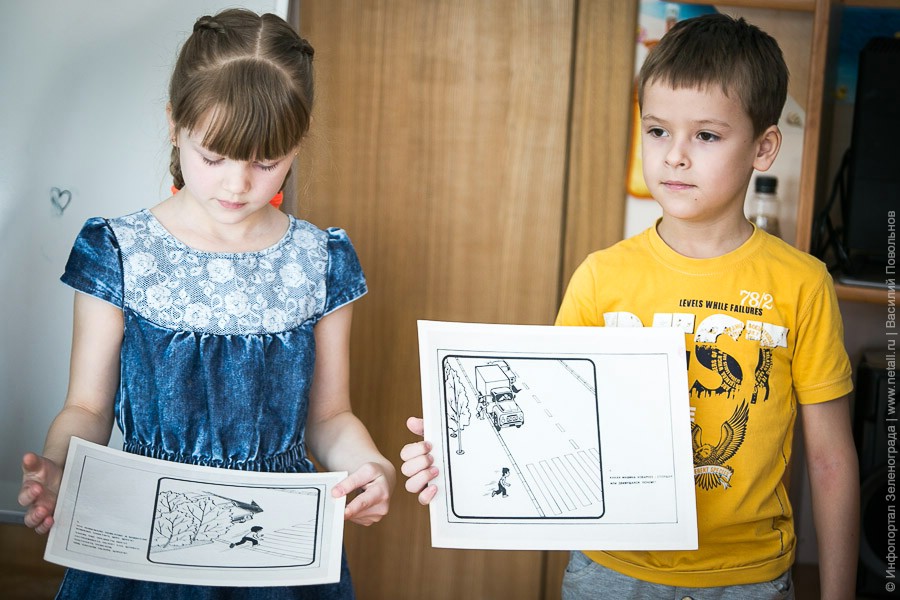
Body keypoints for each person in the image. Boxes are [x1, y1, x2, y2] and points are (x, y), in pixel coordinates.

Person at [400, 13, 859, 599]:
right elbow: (547, 423)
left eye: (707, 136)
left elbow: (831, 462)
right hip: (610, 573)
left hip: (747, 578)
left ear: (763, 147)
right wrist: (458, 449)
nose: (675, 156)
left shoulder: (802, 285)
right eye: (658, 130)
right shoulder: (602, 277)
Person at [18, 9, 395, 599]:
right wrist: (60, 466)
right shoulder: (118, 251)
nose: (237, 184)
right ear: (175, 126)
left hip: (273, 543)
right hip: (142, 530)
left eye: (266, 162)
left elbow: (329, 419)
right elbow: (87, 406)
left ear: (297, 143)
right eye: (214, 156)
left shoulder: (319, 259)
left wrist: (372, 467)